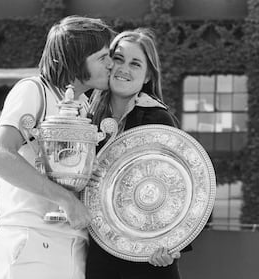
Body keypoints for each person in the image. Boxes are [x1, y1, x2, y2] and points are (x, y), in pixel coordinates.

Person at [0, 16, 115, 279]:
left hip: (73, 245)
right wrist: (65, 199)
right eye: (102, 57)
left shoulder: (85, 108)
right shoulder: (33, 90)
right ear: (76, 58)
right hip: (32, 240)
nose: (111, 65)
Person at [87, 28, 190, 279]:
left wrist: (172, 245)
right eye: (119, 59)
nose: (124, 69)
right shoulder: (83, 114)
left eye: (135, 64)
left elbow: (184, 185)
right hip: (99, 254)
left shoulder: (158, 118)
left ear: (147, 76)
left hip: (148, 260)